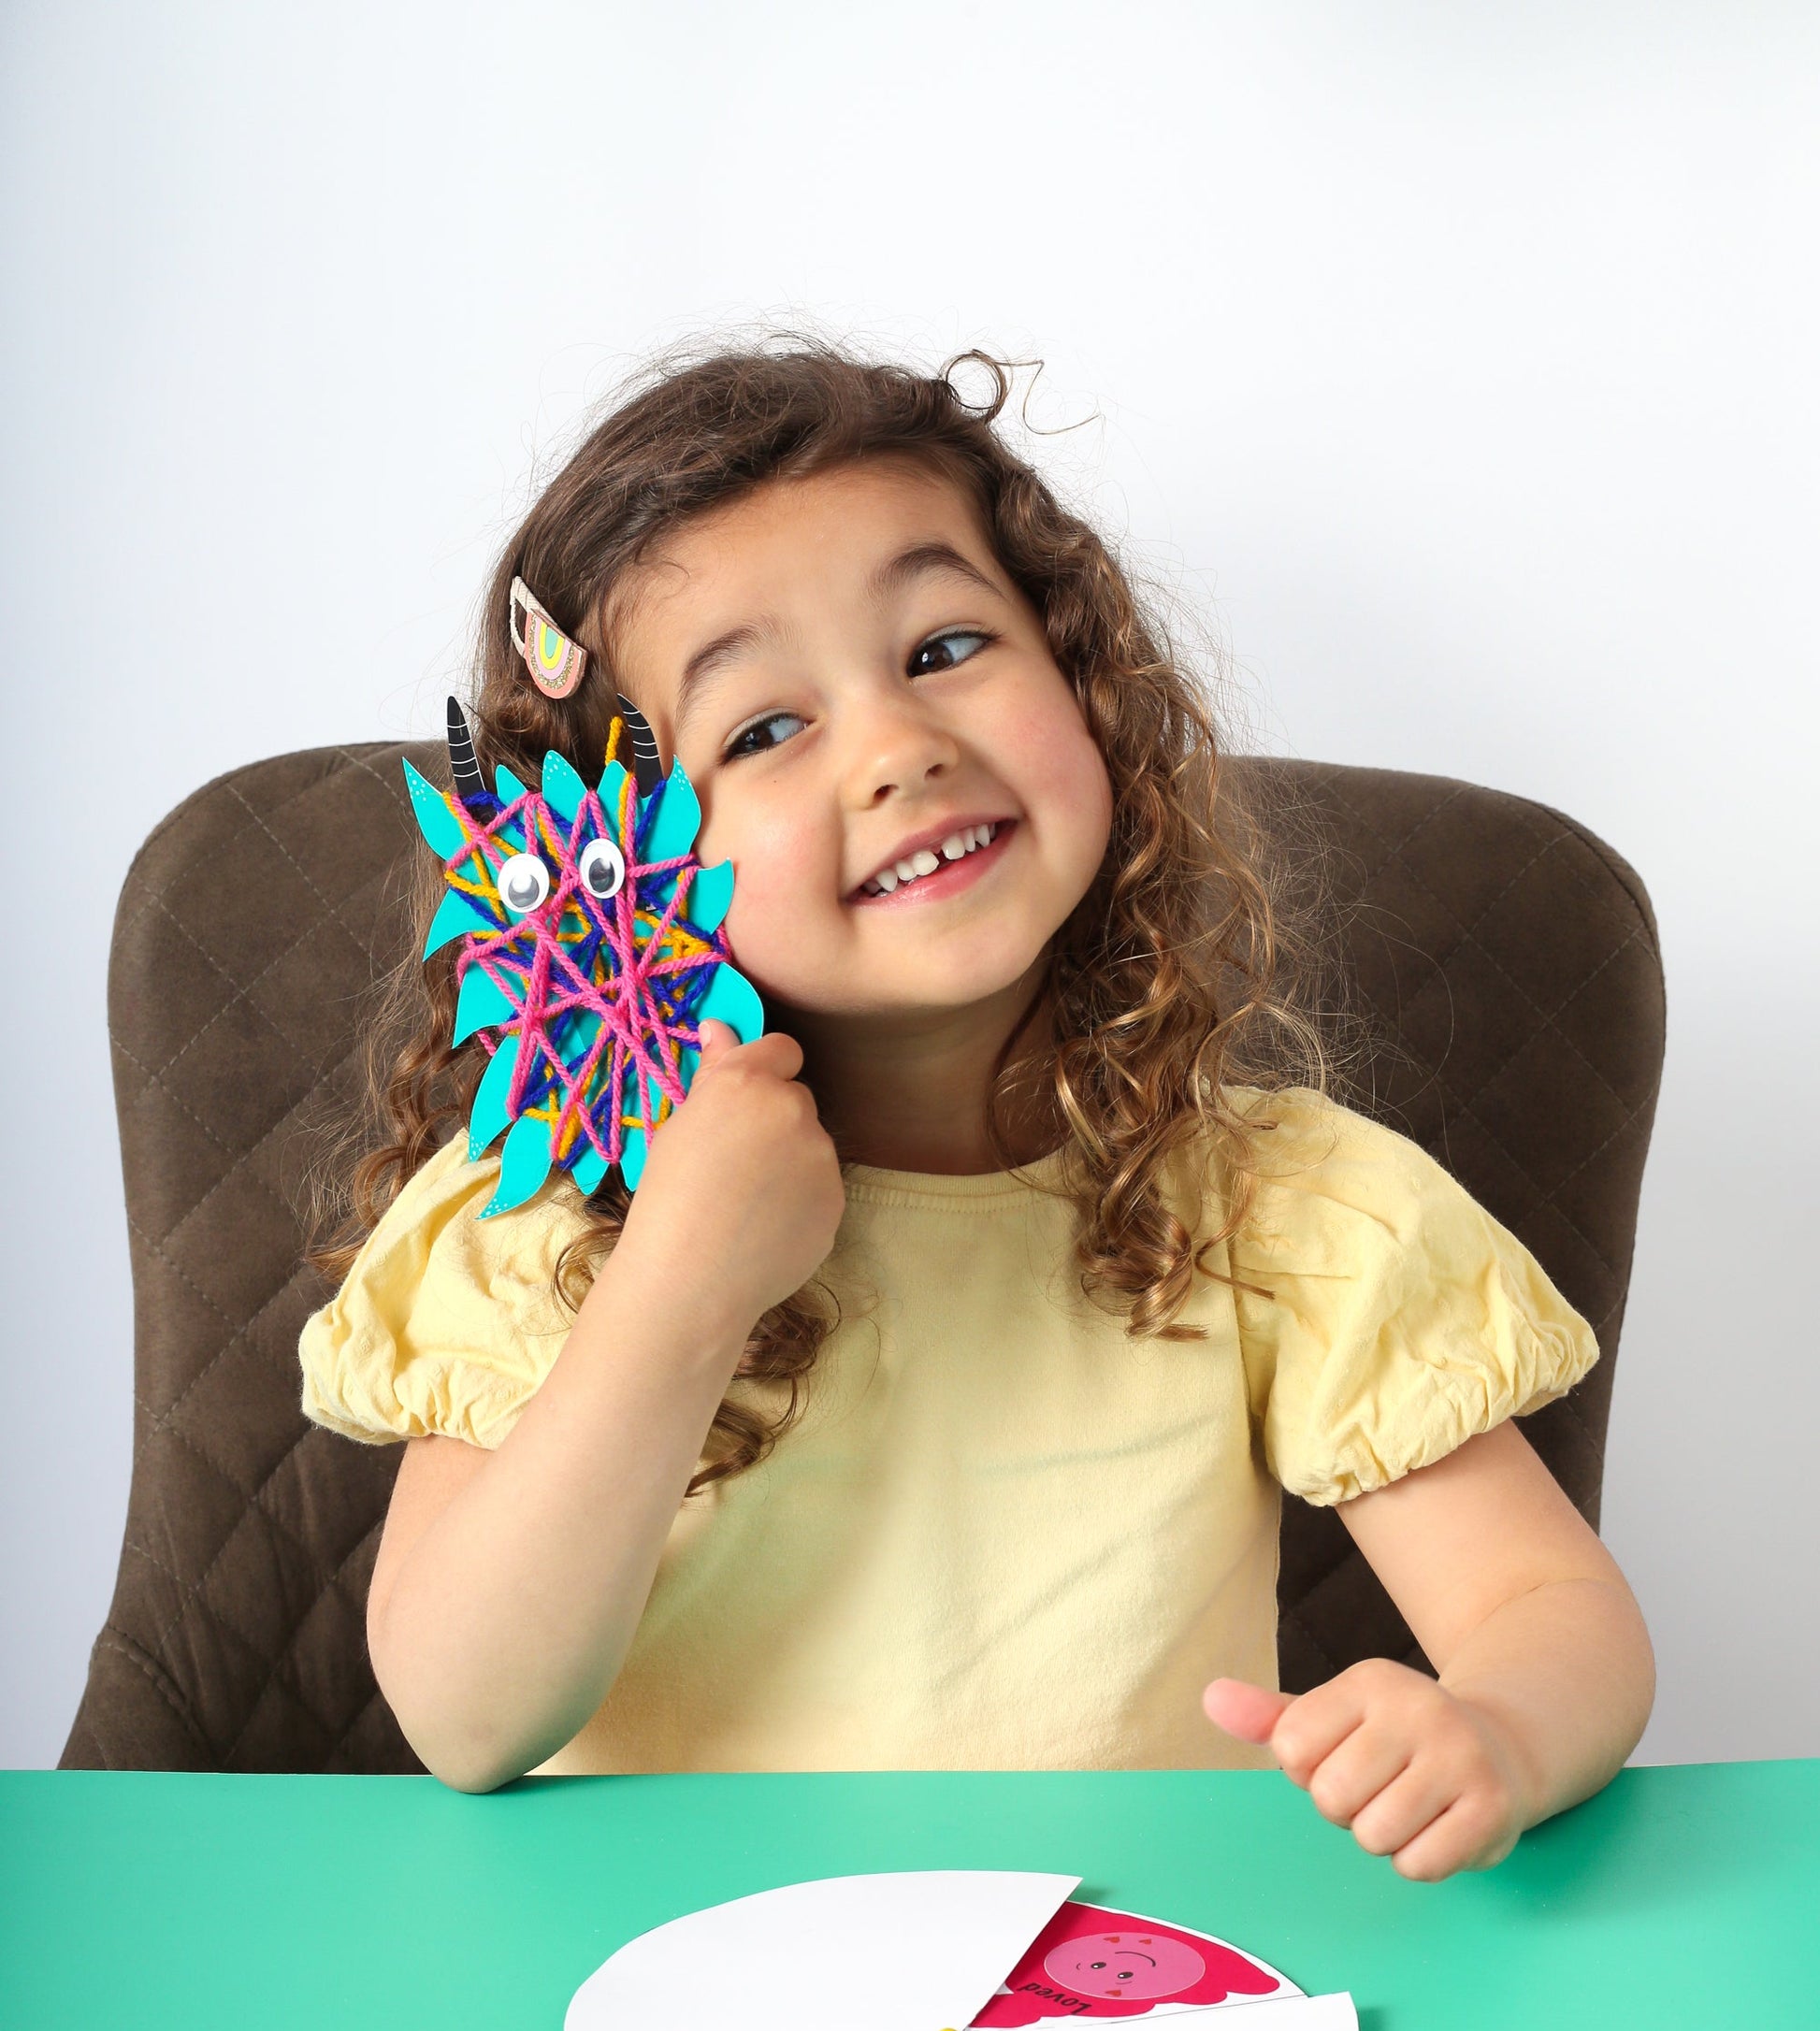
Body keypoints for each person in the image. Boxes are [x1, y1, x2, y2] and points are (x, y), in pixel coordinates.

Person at [300, 341, 1654, 1878]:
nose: (897, 746)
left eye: (942, 646)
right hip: (661, 2004)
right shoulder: (545, 1219)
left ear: (1082, 677)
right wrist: (679, 1278)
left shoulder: (1278, 1207)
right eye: (759, 728)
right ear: (606, 854)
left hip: (1099, 2014)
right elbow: (461, 1717)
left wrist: (1495, 1729)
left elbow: (1551, 1619)